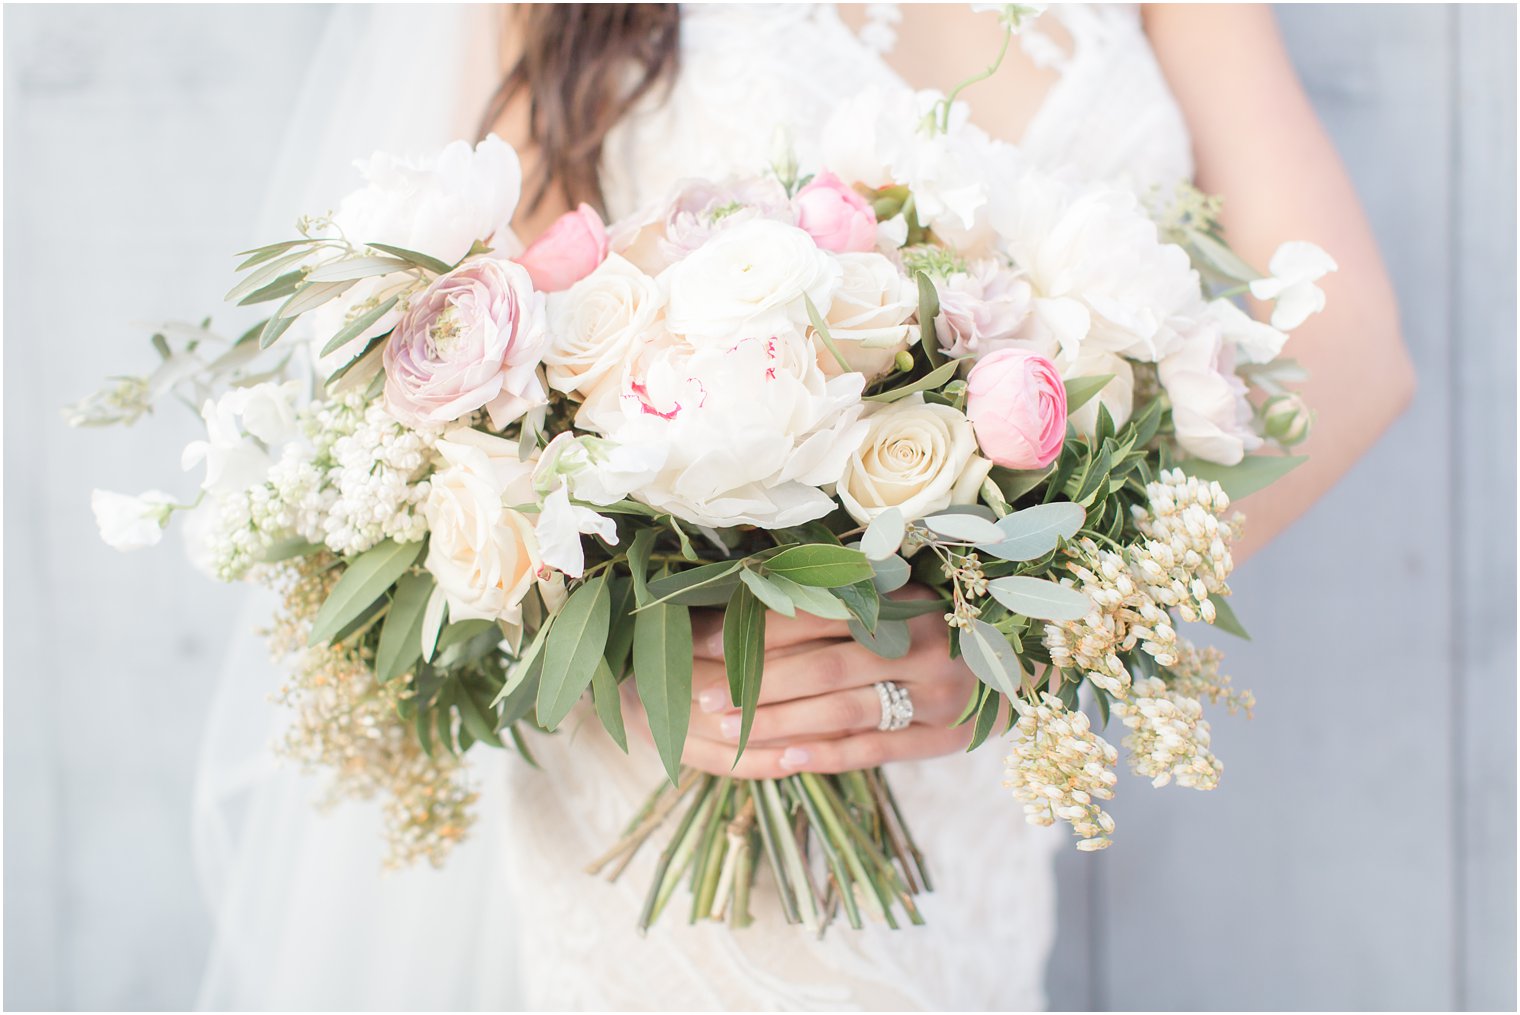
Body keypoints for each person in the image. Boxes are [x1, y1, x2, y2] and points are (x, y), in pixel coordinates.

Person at [197, 4, 1414, 1009]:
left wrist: (1030, 629)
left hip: (965, 788)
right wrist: (639, 637)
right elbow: (480, 373)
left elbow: (1353, 350)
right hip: (677, 733)